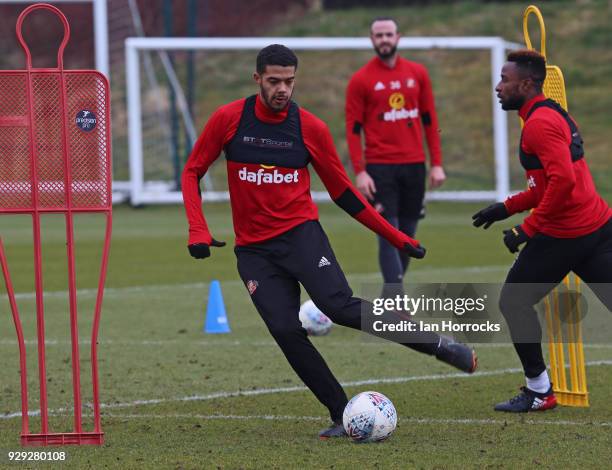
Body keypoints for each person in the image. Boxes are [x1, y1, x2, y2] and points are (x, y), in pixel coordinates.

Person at [182, 44, 477, 439]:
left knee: (338, 307)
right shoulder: (229, 119)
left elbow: (344, 193)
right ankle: (342, 413)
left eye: (289, 81)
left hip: (301, 236)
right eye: (273, 81)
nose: (282, 89)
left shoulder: (309, 128)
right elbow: (192, 171)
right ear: (257, 80)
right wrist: (197, 228)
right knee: (286, 331)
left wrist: (397, 237)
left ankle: (439, 345)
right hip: (254, 252)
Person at [472, 49, 611, 412]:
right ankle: (540, 390)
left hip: (566, 234)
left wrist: (527, 229)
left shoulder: (538, 124)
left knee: (513, 301)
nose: (498, 87)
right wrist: (507, 207)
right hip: (597, 225)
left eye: (505, 79)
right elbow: (547, 184)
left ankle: (539, 391)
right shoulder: (549, 114)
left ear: (527, 83)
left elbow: (562, 182)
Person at [345, 17, 445, 293]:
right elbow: (353, 130)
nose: (384, 40)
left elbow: (430, 120)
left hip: (414, 166)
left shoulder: (417, 73)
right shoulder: (360, 80)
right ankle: (396, 298)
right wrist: (360, 171)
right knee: (388, 233)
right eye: (379, 35)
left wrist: (436, 164)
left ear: (398, 37)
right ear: (372, 40)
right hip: (379, 168)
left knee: (408, 235)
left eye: (388, 34)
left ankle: (391, 294)